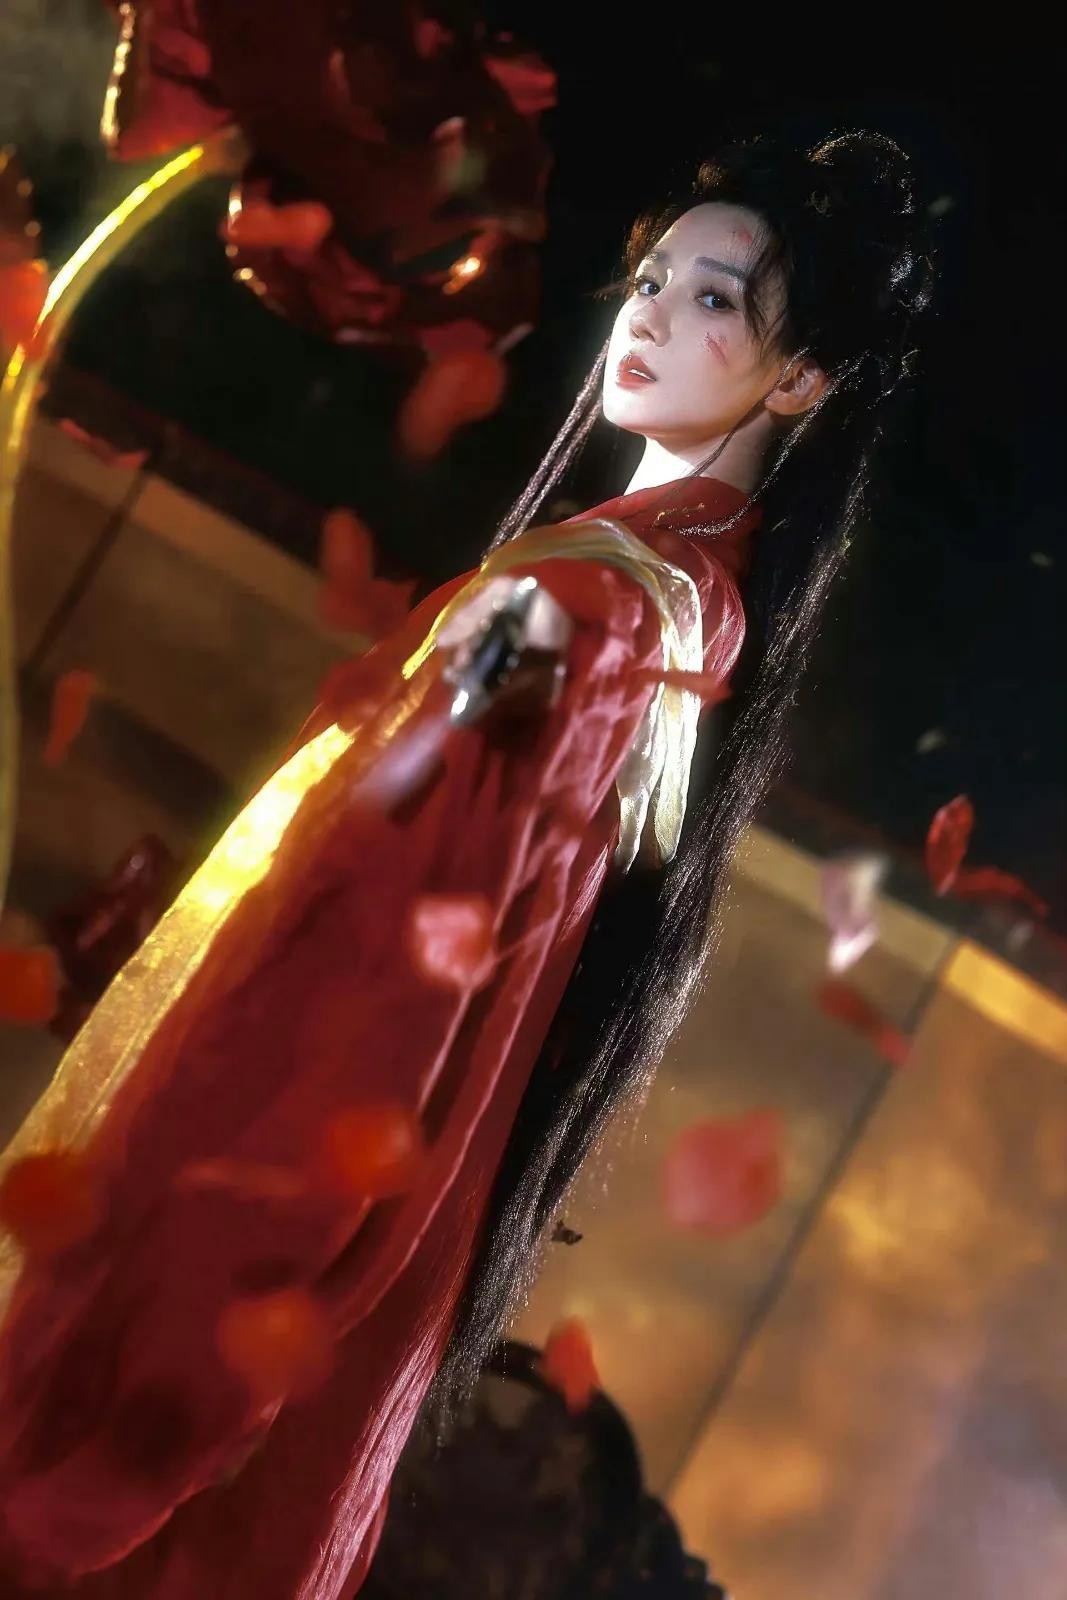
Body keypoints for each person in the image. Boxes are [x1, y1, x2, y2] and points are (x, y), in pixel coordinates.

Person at [0, 130, 930, 1596]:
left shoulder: (580, 608)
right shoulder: (690, 613)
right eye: (651, 278)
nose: (648, 314)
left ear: (802, 381)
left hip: (266, 1187)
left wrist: (188, 1306)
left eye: (715, 300)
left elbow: (393, 937)